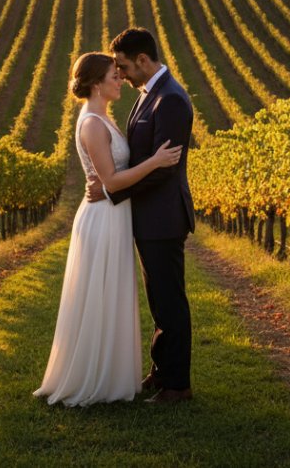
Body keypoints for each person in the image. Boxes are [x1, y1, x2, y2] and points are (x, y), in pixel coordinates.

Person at [34, 52, 182, 407]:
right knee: (100, 293)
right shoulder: (91, 124)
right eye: (114, 76)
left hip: (114, 215)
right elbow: (112, 181)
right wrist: (156, 162)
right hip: (102, 217)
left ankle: (111, 374)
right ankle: (94, 378)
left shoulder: (103, 118)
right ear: (97, 84)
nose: (121, 80)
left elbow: (109, 179)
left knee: (112, 291)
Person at [87, 28, 195, 404]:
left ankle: (178, 385)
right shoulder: (150, 95)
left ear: (144, 61)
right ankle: (162, 371)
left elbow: (164, 169)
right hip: (148, 217)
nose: (123, 75)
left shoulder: (172, 101)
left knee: (170, 302)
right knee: (158, 301)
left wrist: (113, 189)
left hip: (163, 218)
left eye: (124, 66)